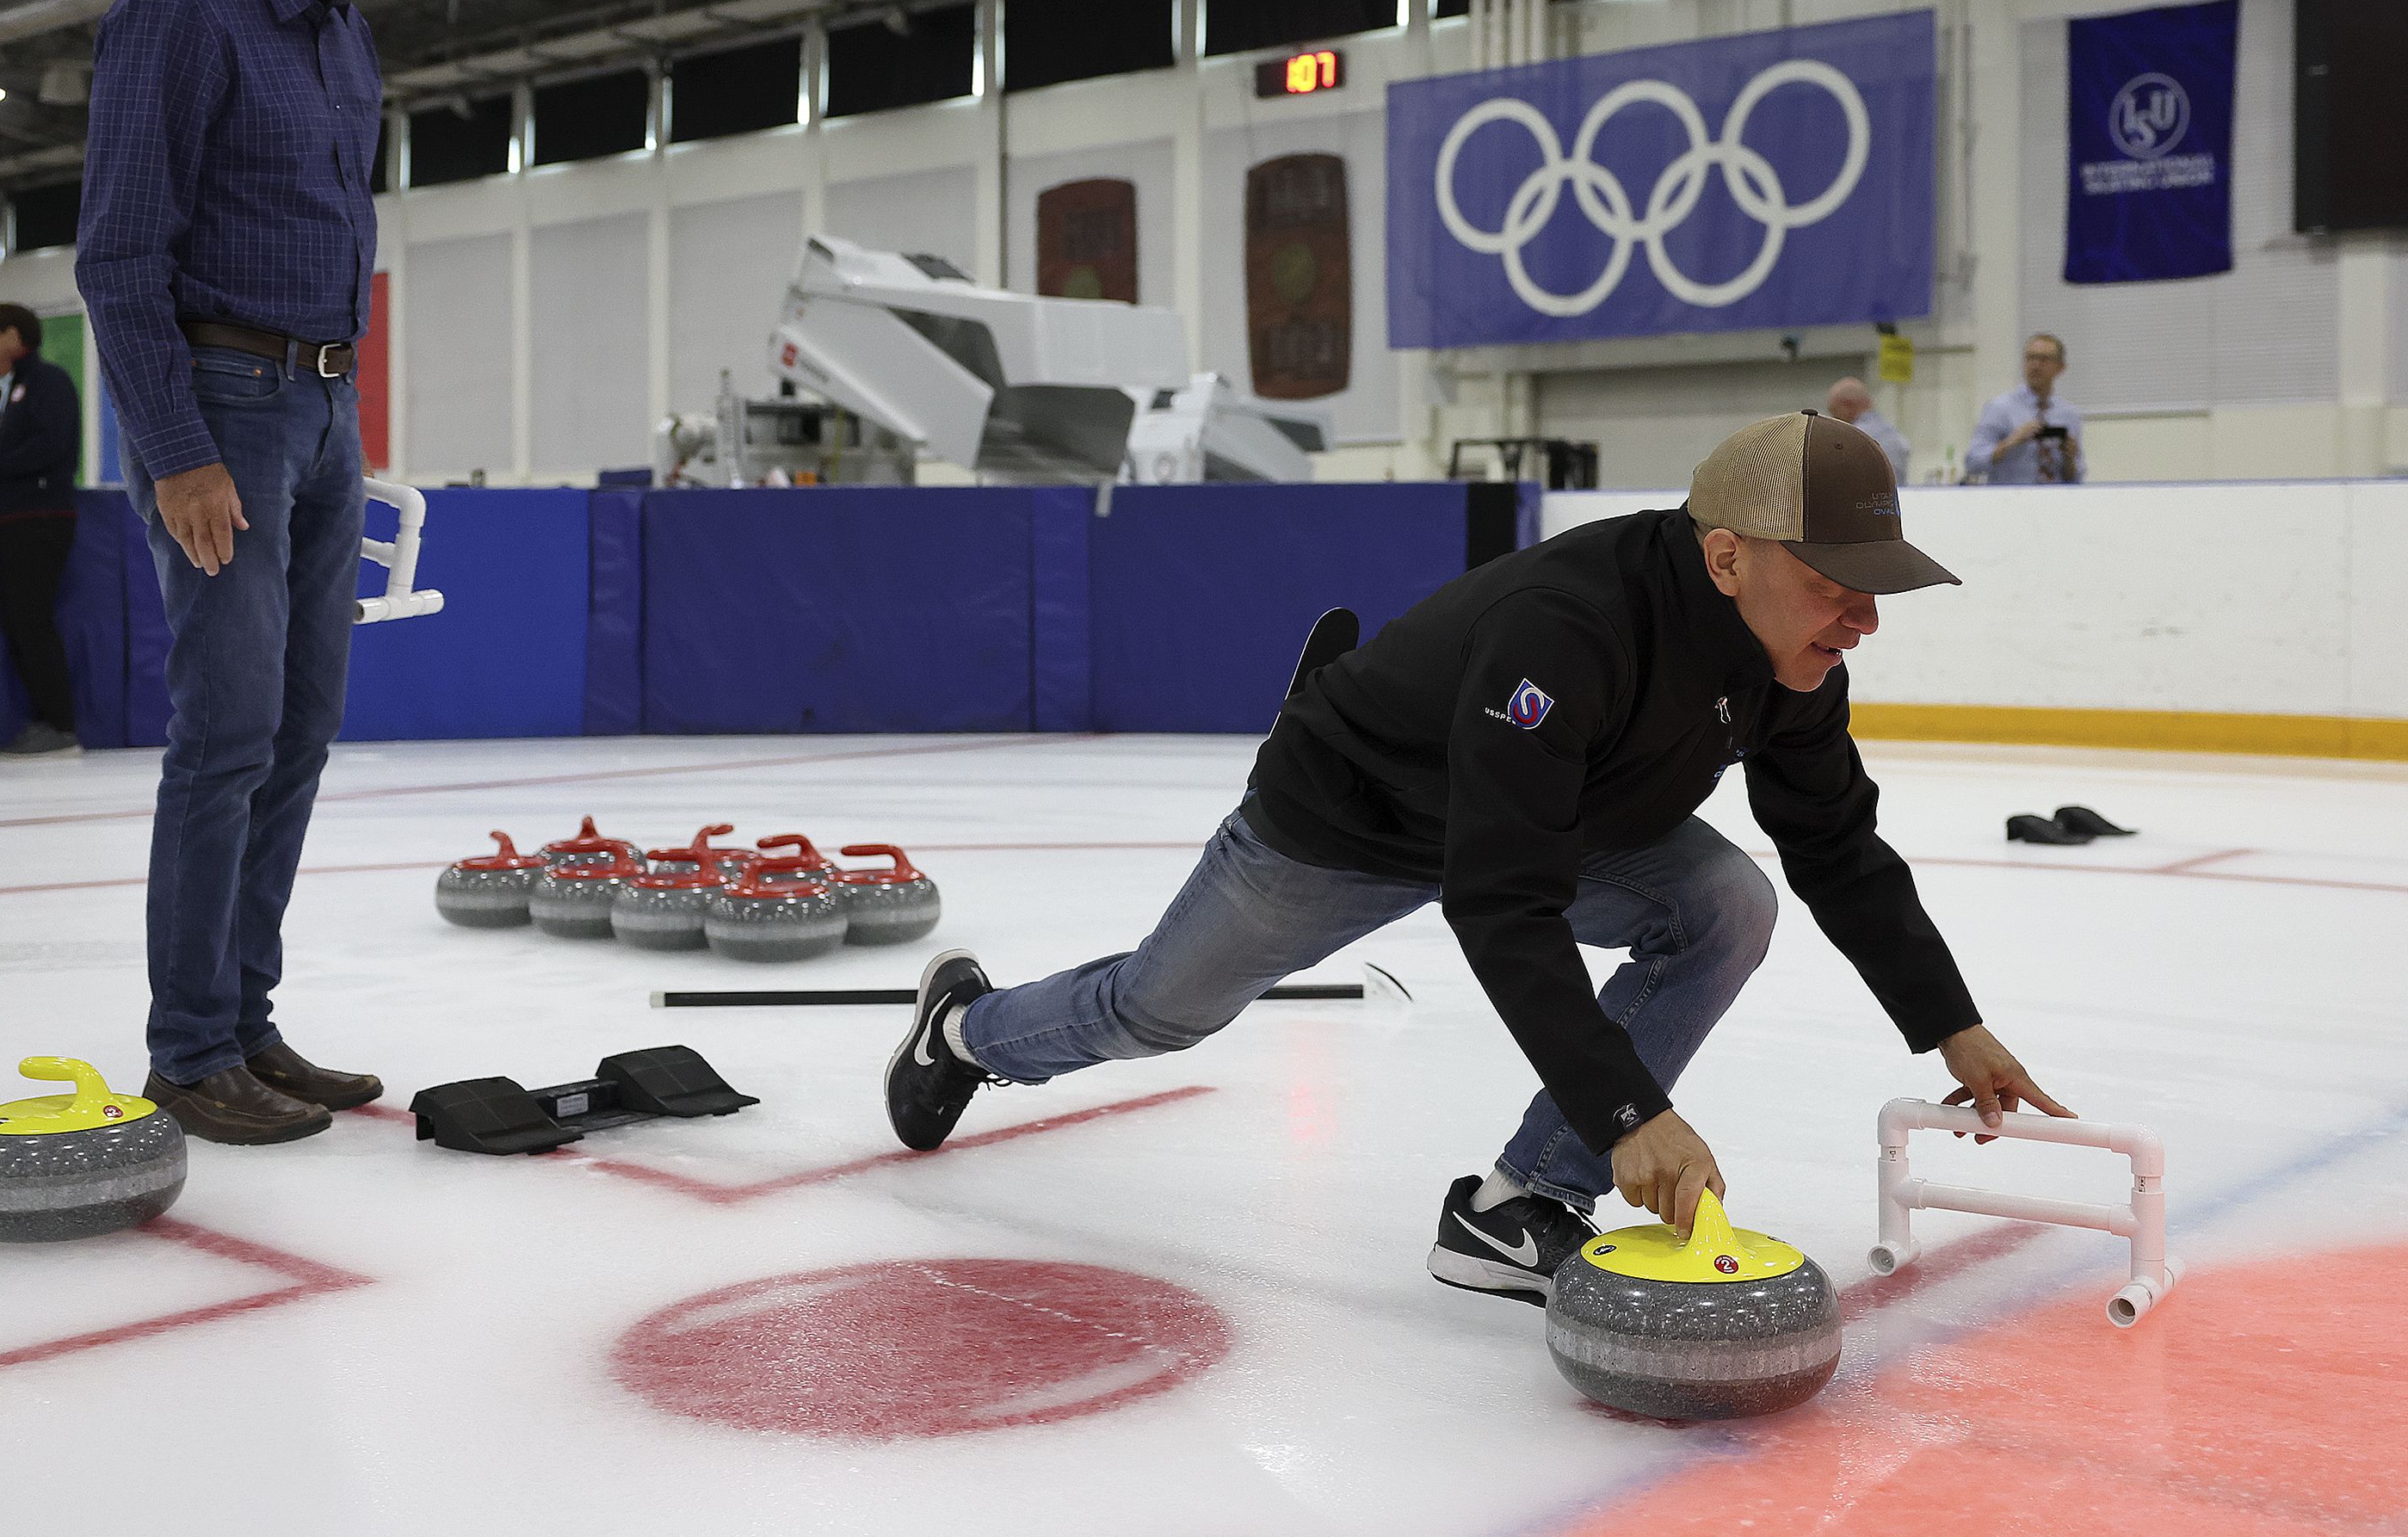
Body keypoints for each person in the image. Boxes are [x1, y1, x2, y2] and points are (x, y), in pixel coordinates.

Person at [885, 410, 2070, 1299]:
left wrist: (1948, 1021)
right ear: (1726, 559)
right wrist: (1628, 1111)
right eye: (1837, 587)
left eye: (1878, 589)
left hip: (1552, 819)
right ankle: (967, 1030)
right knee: (1159, 1011)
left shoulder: (1793, 663)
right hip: (1349, 820)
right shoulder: (1571, 631)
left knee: (1725, 901)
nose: (1864, 619)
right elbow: (1506, 903)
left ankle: (1520, 1203)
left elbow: (1838, 844)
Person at [74, 0, 423, 1146]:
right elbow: (116, 256)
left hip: (323, 409)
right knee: (222, 737)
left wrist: (342, 416)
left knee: (298, 733)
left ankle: (248, 1022)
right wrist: (177, 452)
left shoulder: (346, 37)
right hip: (224, 405)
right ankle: (189, 1048)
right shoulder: (180, 12)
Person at [0, 306, 82, 756]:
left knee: (32, 619)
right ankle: (45, 719)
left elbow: (52, 445)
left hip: (42, 521)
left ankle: (61, 725)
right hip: (15, 520)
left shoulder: (49, 383)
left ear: (13, 336)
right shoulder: (9, 390)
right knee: (17, 620)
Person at [1969, 334, 2085, 485]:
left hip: (2055, 501)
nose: (2036, 365)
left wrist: (2069, 459)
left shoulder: (2069, 415)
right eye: (2031, 358)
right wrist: (2011, 442)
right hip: (2010, 501)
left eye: (2044, 359)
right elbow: (1973, 463)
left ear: (2060, 367)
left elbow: (2076, 479)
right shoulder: (2000, 409)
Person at [1824, 375, 1909, 484]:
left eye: (1834, 411)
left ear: (1847, 405)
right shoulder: (1896, 436)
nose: (1833, 418)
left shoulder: (1851, 439)